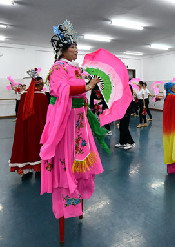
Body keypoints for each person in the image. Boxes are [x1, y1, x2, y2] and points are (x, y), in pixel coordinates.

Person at [39, 20, 106, 219]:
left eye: (77, 47)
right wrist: (86, 87)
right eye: (73, 47)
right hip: (66, 120)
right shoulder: (57, 68)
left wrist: (88, 86)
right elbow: (60, 90)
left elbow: (78, 89)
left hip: (78, 120)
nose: (77, 51)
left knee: (80, 154)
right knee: (65, 157)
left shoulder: (75, 68)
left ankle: (79, 192)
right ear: (63, 50)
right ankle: (66, 200)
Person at [9, 72, 48, 179]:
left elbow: (20, 113)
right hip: (39, 127)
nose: (43, 87)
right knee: (37, 144)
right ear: (39, 85)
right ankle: (38, 166)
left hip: (25, 126)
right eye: (42, 85)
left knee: (25, 143)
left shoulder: (24, 95)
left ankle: (26, 168)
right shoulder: (42, 96)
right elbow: (46, 114)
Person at [115, 85, 136, 150]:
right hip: (122, 110)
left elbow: (128, 101)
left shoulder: (127, 88)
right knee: (121, 126)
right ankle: (122, 142)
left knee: (124, 127)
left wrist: (126, 112)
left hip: (126, 111)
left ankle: (131, 142)